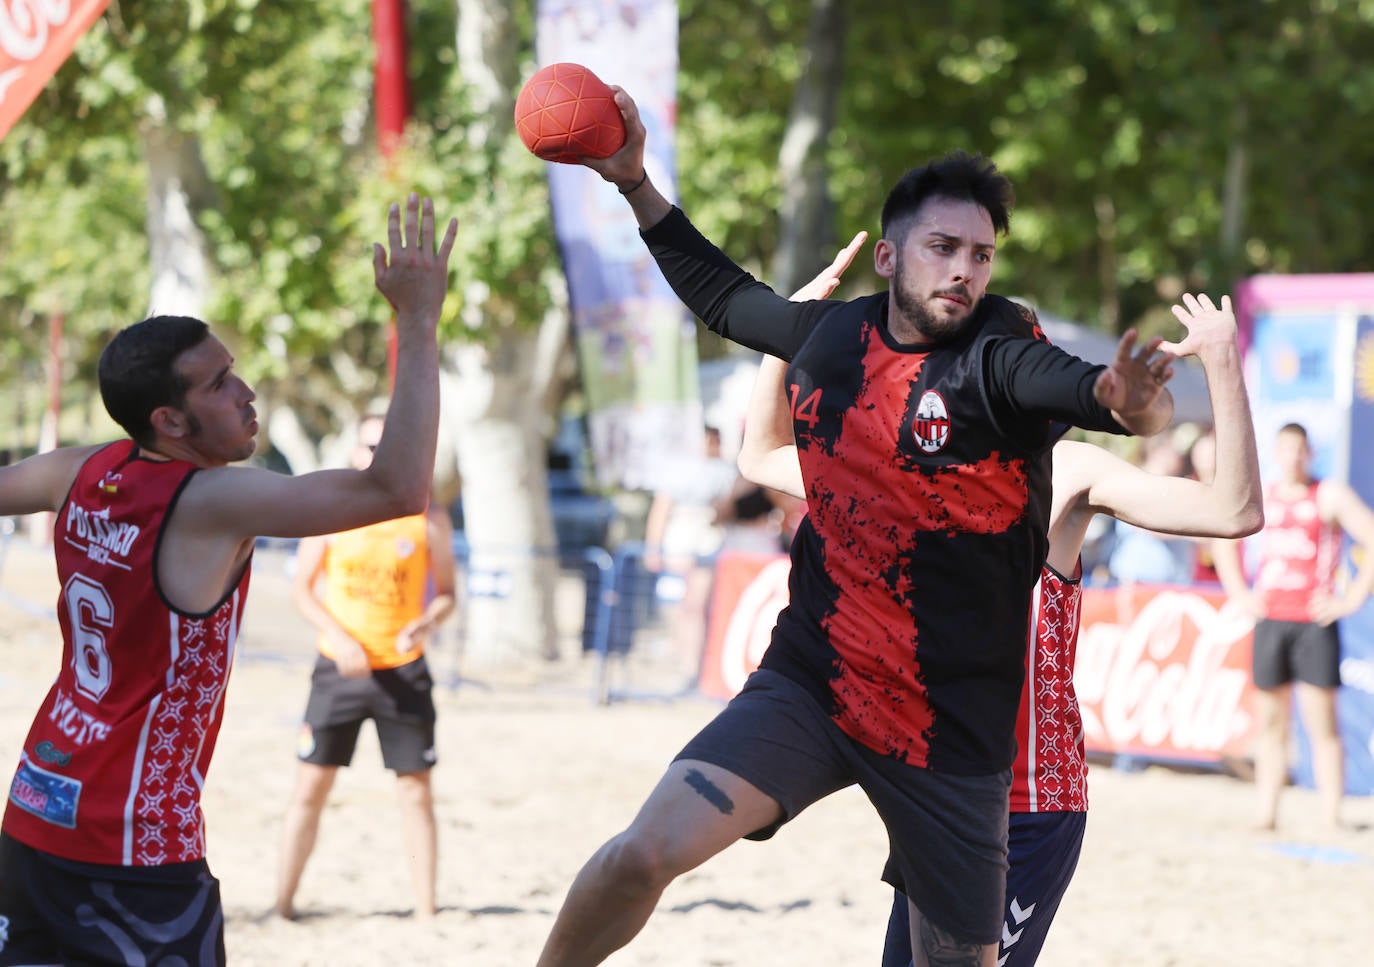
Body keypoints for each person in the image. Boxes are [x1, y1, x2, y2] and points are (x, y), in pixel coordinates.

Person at [537, 89, 1176, 967]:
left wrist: (1125, 400)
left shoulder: (999, 355)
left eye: (982, 255)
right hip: (815, 686)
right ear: (888, 255)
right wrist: (637, 184)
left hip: (951, 731)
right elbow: (727, 298)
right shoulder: (836, 340)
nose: (965, 270)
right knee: (642, 852)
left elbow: (1083, 388)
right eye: (943, 247)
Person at [735, 251, 1263, 965]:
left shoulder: (1073, 472)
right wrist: (789, 334)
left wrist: (1224, 364)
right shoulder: (912, 463)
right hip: (934, 791)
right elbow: (761, 457)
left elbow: (1234, 511)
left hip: (1028, 804)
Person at [0, 194, 457, 966]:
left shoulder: (79, 469)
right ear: (169, 422)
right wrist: (416, 321)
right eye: (217, 385)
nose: (244, 392)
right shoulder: (209, 499)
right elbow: (397, 490)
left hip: (37, 805)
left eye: (233, 371)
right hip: (133, 844)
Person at [273, 412, 457, 921]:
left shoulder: (428, 518)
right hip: (339, 669)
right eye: (368, 445)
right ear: (355, 452)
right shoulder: (333, 512)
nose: (376, 455)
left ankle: (426, 912)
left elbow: (447, 595)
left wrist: (425, 623)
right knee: (310, 787)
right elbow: (302, 590)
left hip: (403, 671)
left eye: (387, 445)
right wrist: (338, 635)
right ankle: (282, 906)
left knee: (415, 791)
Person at [1213, 422, 1374, 830]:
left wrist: (1351, 599)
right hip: (1272, 620)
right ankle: (1267, 814)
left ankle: (1331, 815)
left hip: (1313, 622)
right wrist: (1238, 592)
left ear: (1310, 453)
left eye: (1300, 450)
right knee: (1270, 724)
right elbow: (1222, 538)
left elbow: (1370, 536)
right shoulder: (1264, 494)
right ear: (1276, 452)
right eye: (1285, 449)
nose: (1293, 458)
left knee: (1322, 723)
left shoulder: (1328, 495)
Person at [1106, 433, 1198, 584]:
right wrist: (1195, 532)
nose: (1180, 458)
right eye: (1174, 451)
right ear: (1158, 451)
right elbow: (1149, 525)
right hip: (1138, 578)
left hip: (1174, 580)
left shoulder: (1178, 486)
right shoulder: (1135, 482)